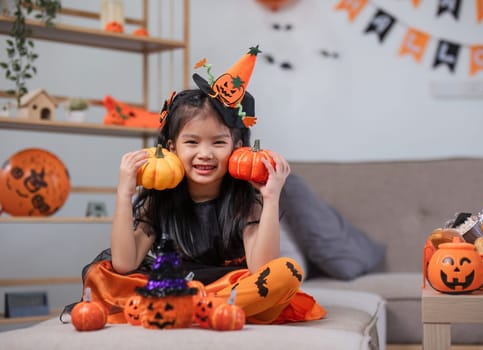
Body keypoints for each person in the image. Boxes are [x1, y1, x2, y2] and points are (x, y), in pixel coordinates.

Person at [77, 46, 326, 325]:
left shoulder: (244, 200)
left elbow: (261, 268)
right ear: (171, 147)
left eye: (218, 142)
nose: (205, 154)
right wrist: (124, 193)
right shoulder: (161, 198)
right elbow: (125, 263)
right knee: (104, 274)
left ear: (237, 147)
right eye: (192, 142)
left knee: (286, 272)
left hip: (228, 289)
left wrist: (270, 198)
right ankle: (193, 307)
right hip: (171, 285)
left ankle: (197, 308)